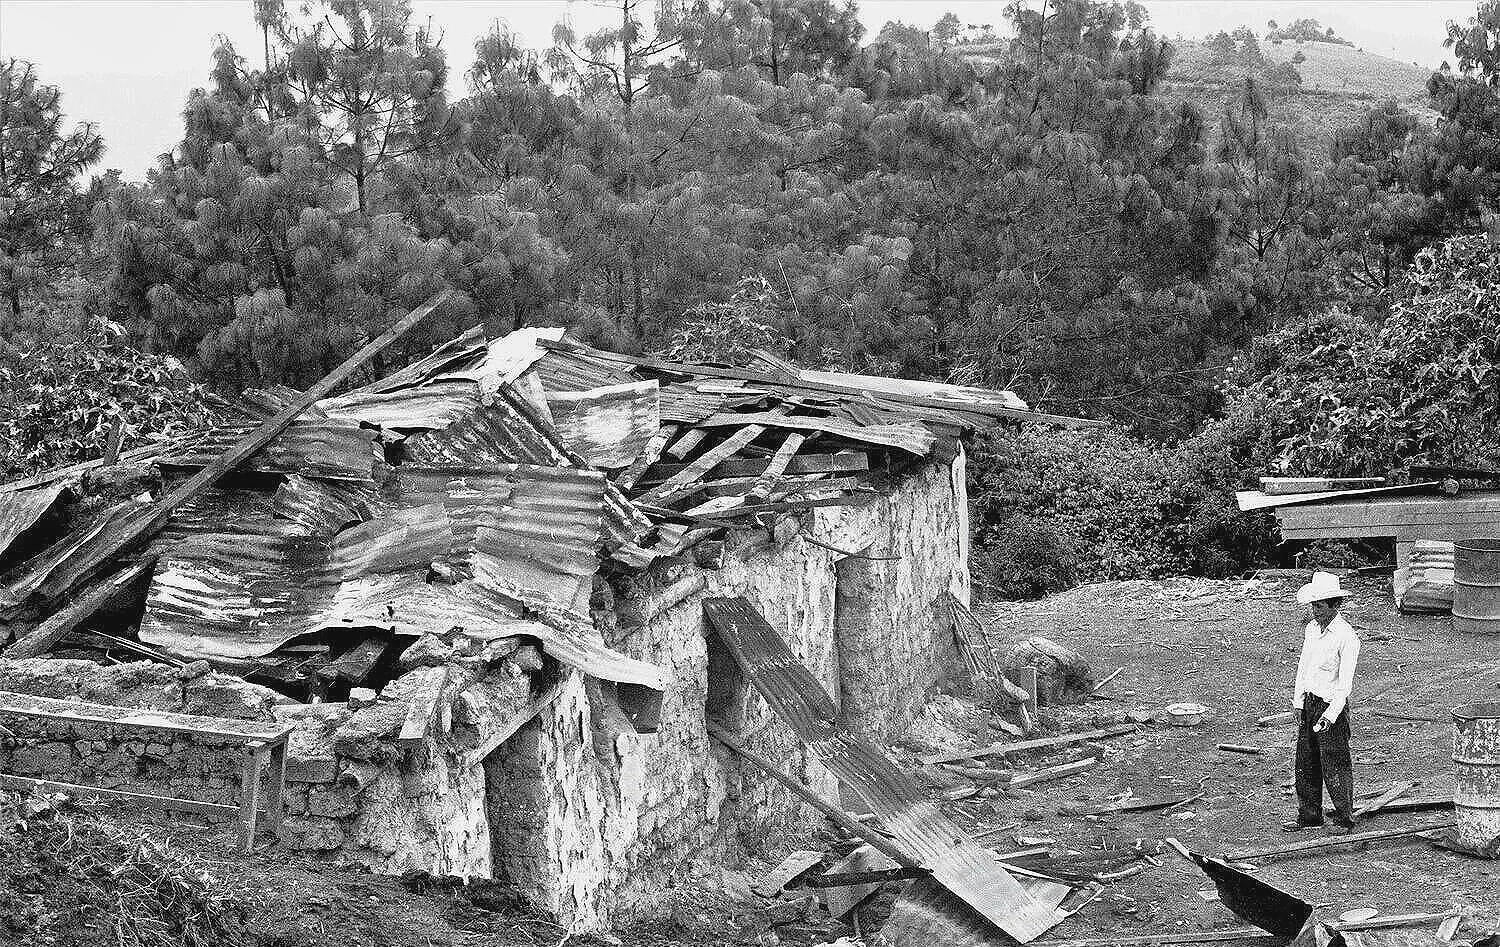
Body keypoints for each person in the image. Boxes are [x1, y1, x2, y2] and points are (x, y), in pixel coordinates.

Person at [1284, 571, 1361, 834]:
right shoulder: (1311, 630)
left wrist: (1330, 715)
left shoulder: (1347, 637)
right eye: (1313, 605)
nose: (1315, 610)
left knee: (1335, 762)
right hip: (1310, 704)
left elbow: (1345, 684)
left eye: (1319, 605)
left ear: (1335, 605)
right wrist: (1298, 701)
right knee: (1306, 762)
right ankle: (1309, 815)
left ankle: (1343, 818)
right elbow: (1303, 666)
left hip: (1331, 709)